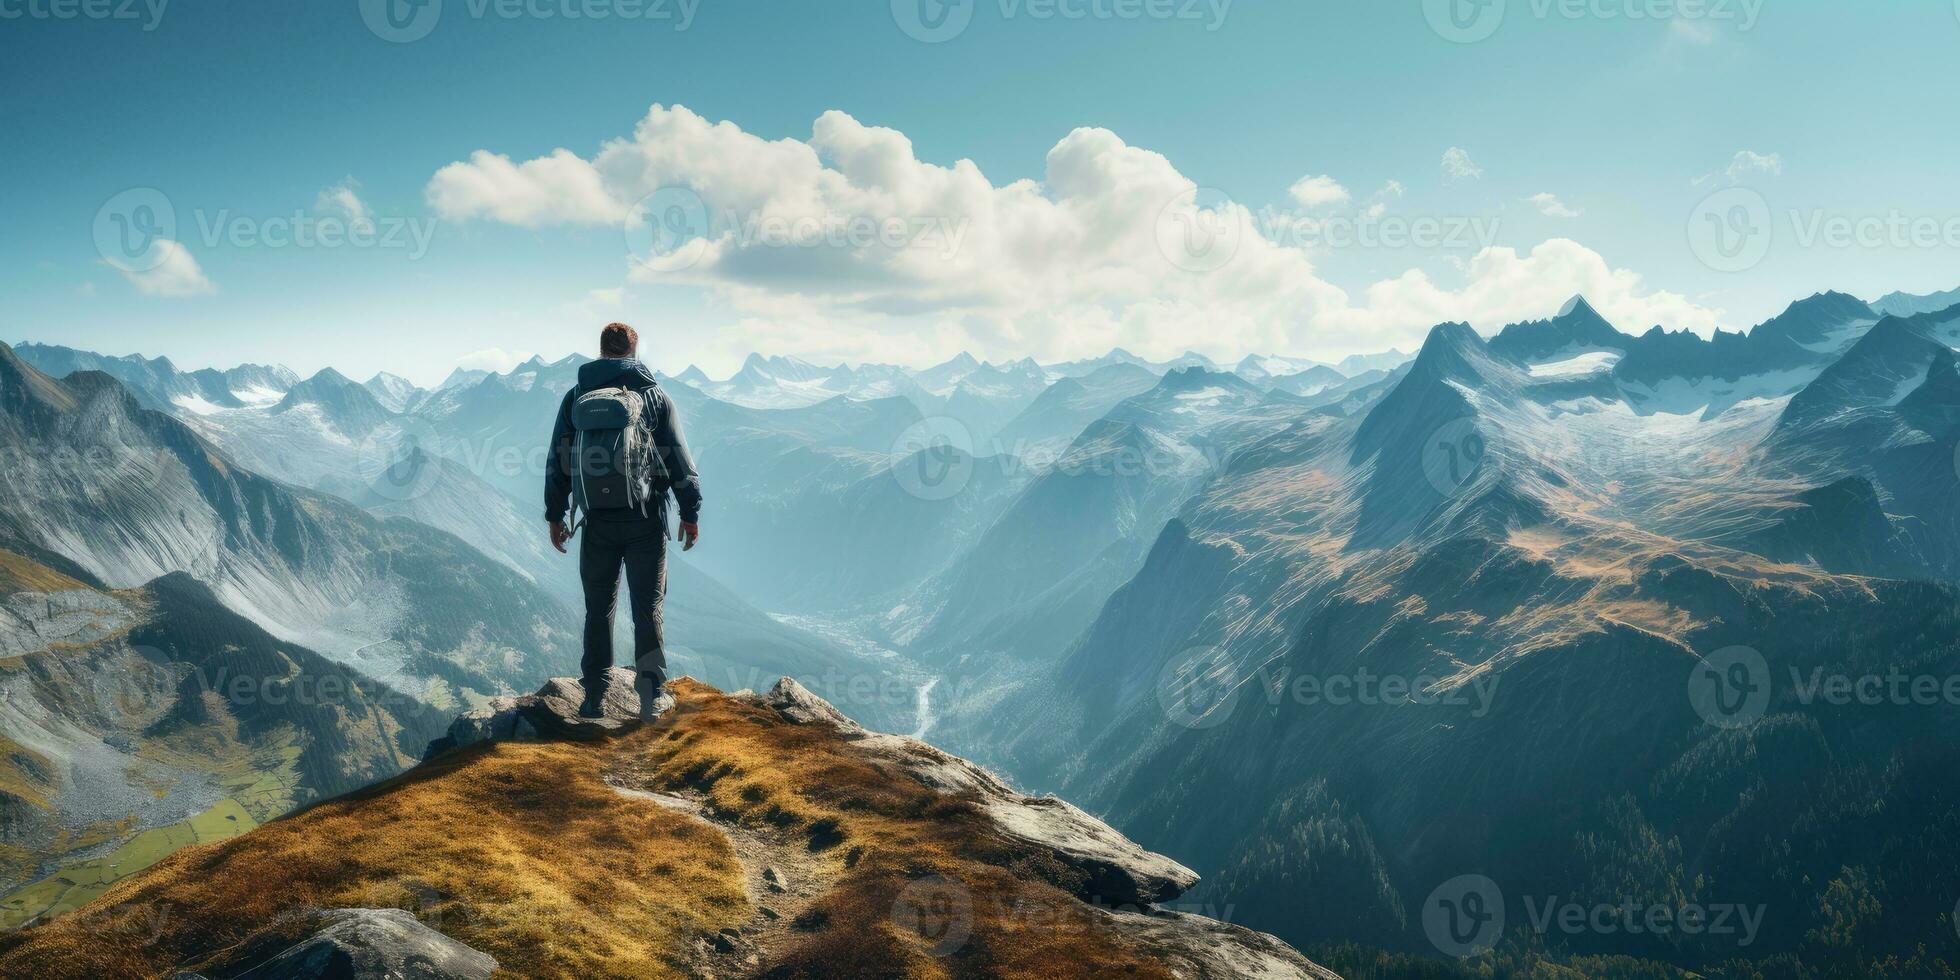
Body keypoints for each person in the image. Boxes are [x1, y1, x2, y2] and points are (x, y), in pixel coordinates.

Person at [544, 322, 702, 720]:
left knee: (599, 609)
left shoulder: (576, 397)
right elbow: (678, 459)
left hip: (596, 523)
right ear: (634, 352)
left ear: (600, 351)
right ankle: (651, 697)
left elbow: (558, 460)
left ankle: (593, 698)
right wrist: (690, 512)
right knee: (647, 607)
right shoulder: (654, 396)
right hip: (645, 520)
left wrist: (555, 515)